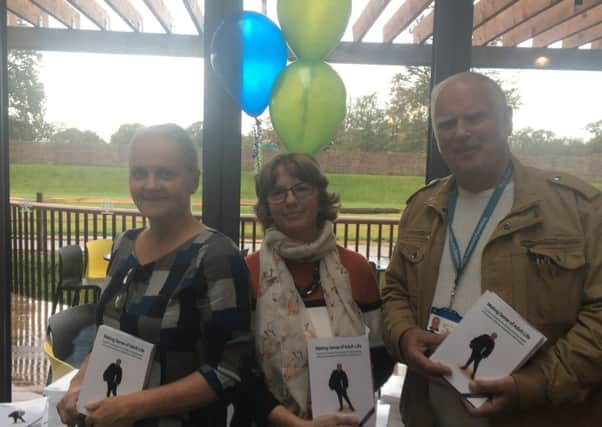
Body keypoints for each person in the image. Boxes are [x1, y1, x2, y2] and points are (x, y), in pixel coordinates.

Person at [382, 72, 602, 427]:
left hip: (539, 414)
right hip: (430, 414)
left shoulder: (577, 210)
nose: (460, 132)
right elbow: (394, 290)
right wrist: (404, 334)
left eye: (475, 117)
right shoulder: (421, 209)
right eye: (447, 123)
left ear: (507, 120)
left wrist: (535, 384)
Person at [57, 124, 252, 427]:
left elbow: (227, 371)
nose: (150, 185)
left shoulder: (216, 255)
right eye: (139, 173)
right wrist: (78, 385)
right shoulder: (124, 245)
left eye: (165, 174)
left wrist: (135, 407)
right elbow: (107, 337)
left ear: (193, 181)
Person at [233, 153, 394, 427]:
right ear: (266, 206)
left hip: (344, 420)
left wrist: (346, 402)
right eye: (278, 192)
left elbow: (381, 354)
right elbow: (238, 370)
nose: (291, 200)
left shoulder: (355, 269)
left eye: (301, 188)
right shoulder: (247, 272)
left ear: (320, 196)